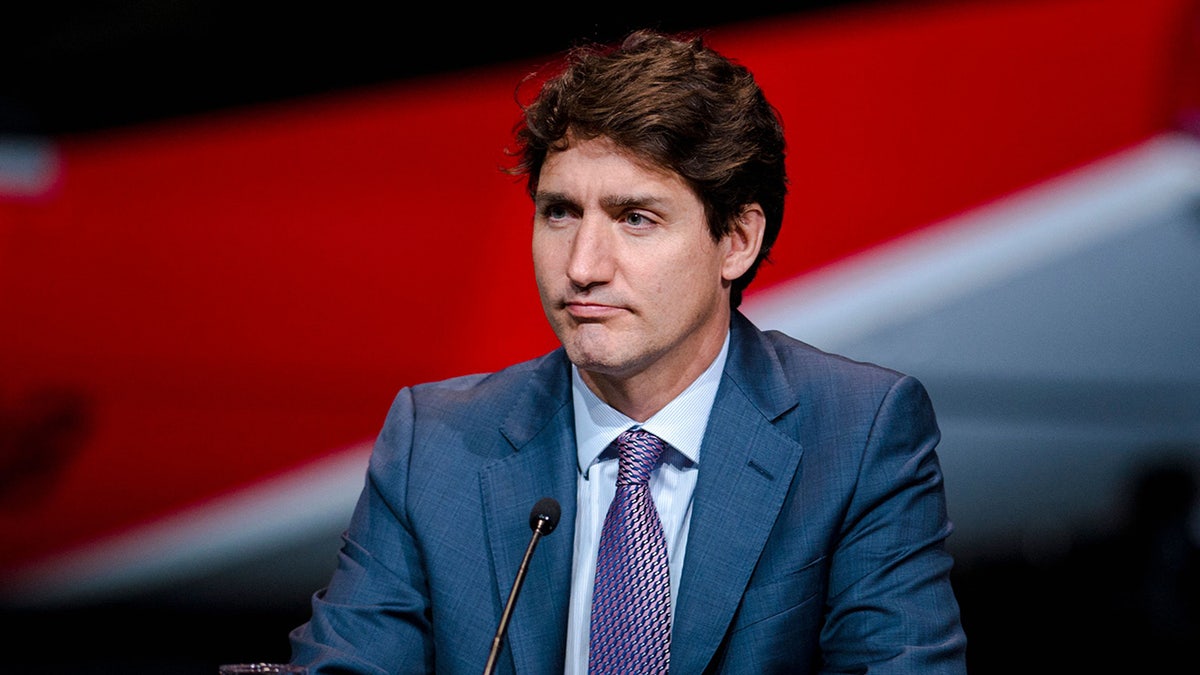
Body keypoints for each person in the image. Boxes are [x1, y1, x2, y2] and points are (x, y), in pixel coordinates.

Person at [288, 28, 968, 674]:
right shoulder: (433, 445)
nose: (582, 265)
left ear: (736, 240)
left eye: (635, 218)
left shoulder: (856, 434)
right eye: (559, 213)